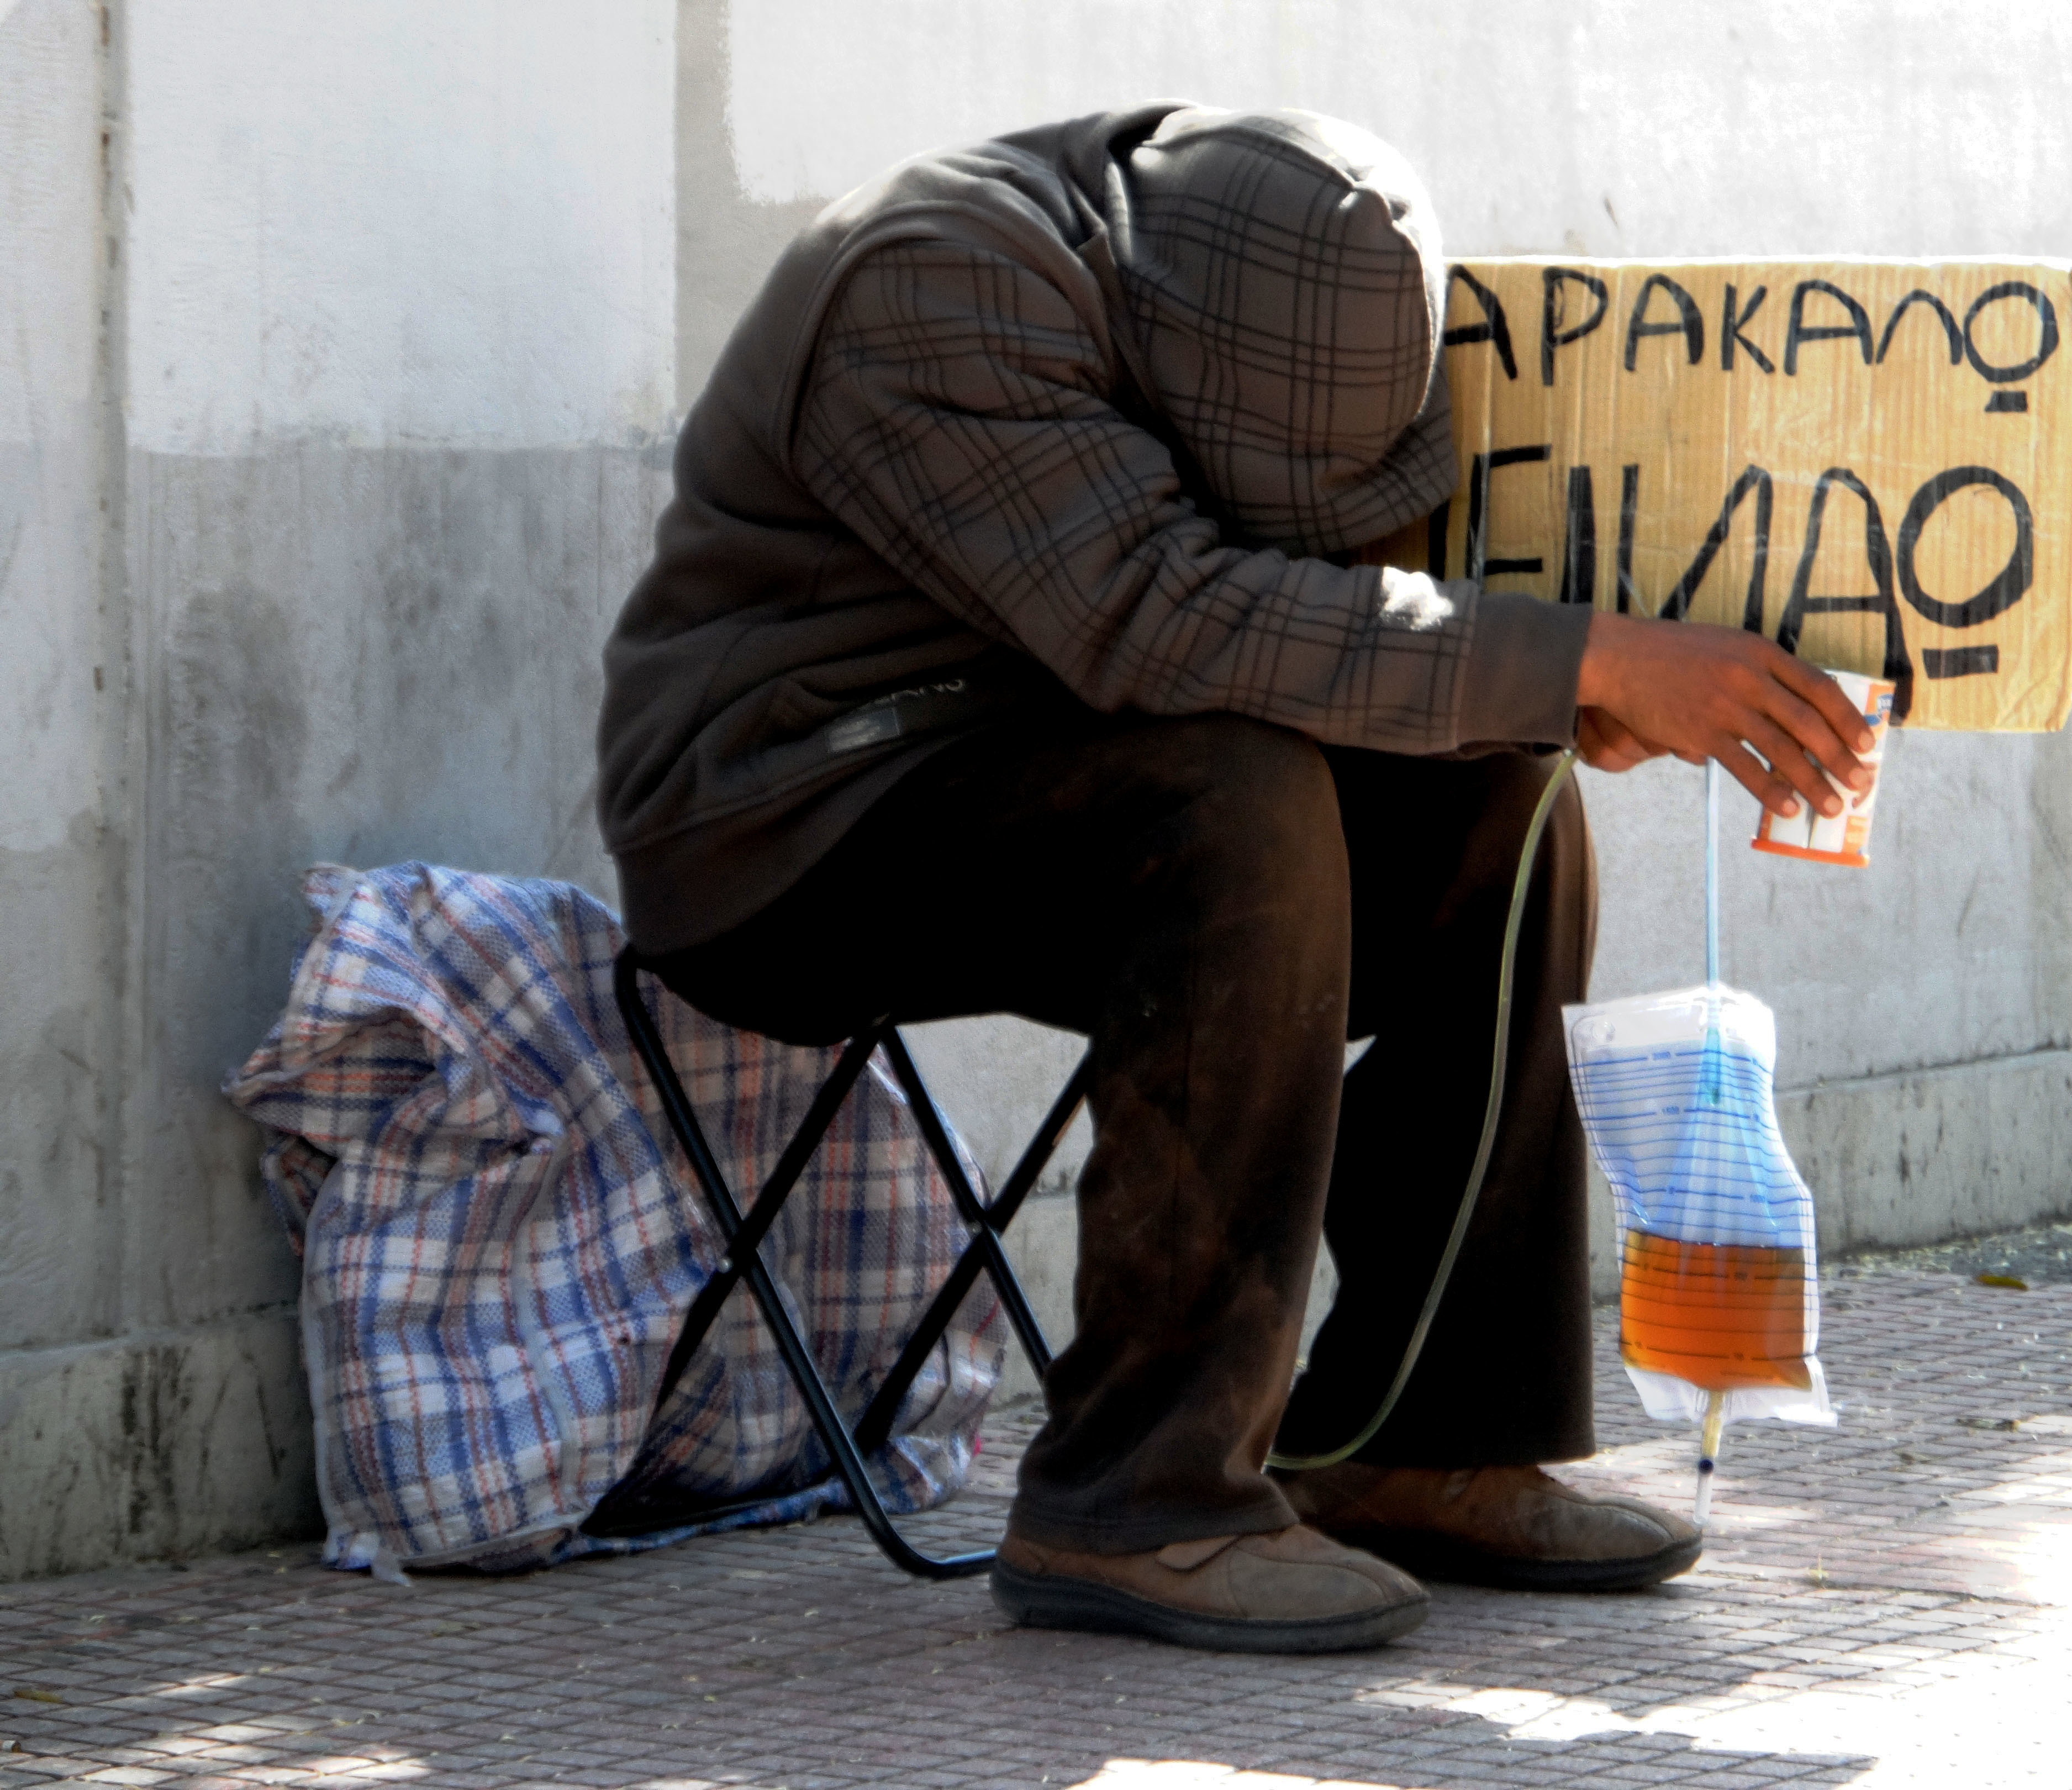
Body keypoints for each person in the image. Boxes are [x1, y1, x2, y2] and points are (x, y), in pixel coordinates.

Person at [597, 103, 1875, 1654]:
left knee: (1500, 787)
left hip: (1065, 760)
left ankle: (1427, 1434)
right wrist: (1585, 654)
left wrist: (1560, 698)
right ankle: (1138, 1495)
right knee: (1231, 791)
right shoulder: (929, 289)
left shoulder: (1223, 279)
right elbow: (1163, 623)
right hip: (790, 820)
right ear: (1165, 346)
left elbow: (1279, 611)